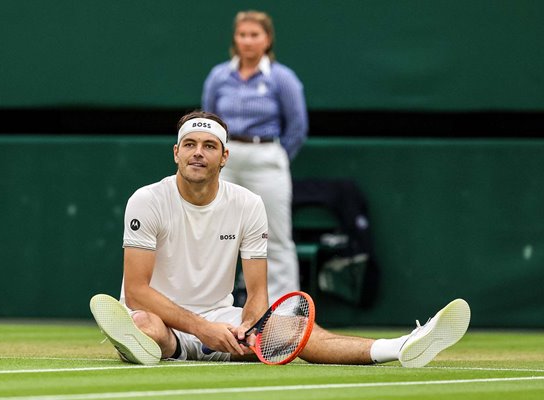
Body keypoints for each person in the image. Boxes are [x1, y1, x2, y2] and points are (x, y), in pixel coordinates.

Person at [90, 110, 471, 367]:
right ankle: (144, 344)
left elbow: (257, 293)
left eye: (209, 147)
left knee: (293, 332)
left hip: (224, 322)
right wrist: (202, 329)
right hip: (162, 318)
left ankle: (399, 348)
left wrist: (248, 323)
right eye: (189, 145)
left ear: (224, 157)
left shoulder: (249, 204)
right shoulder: (147, 200)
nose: (198, 154)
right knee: (143, 323)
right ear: (176, 153)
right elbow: (138, 290)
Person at [201, 10, 307, 303]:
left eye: (254, 35)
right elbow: (208, 119)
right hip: (226, 160)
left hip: (266, 158)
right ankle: (211, 305)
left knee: (276, 236)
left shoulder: (282, 78)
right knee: (217, 232)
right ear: (235, 39)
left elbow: (297, 126)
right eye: (242, 35)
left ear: (267, 39)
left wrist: (275, 155)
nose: (248, 41)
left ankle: (285, 312)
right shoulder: (218, 76)